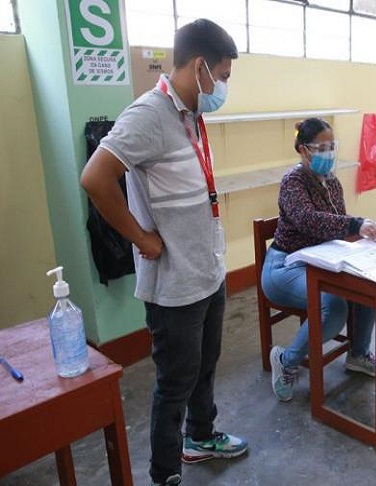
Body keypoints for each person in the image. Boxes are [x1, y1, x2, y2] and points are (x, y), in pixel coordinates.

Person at [80, 19, 247, 486]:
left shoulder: (191, 115)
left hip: (206, 270)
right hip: (174, 285)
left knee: (206, 365)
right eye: (225, 76)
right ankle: (164, 473)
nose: (225, 86)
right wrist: (141, 237)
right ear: (201, 68)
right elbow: (95, 179)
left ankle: (201, 436)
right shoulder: (147, 115)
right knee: (174, 382)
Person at [262, 118, 376, 402]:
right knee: (334, 307)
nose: (329, 153)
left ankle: (357, 354)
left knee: (368, 286)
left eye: (332, 146)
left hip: (322, 261)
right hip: (286, 265)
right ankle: (287, 360)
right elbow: (308, 221)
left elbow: (338, 224)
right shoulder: (293, 181)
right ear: (304, 150)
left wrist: (361, 238)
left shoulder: (332, 182)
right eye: (323, 147)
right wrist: (355, 224)